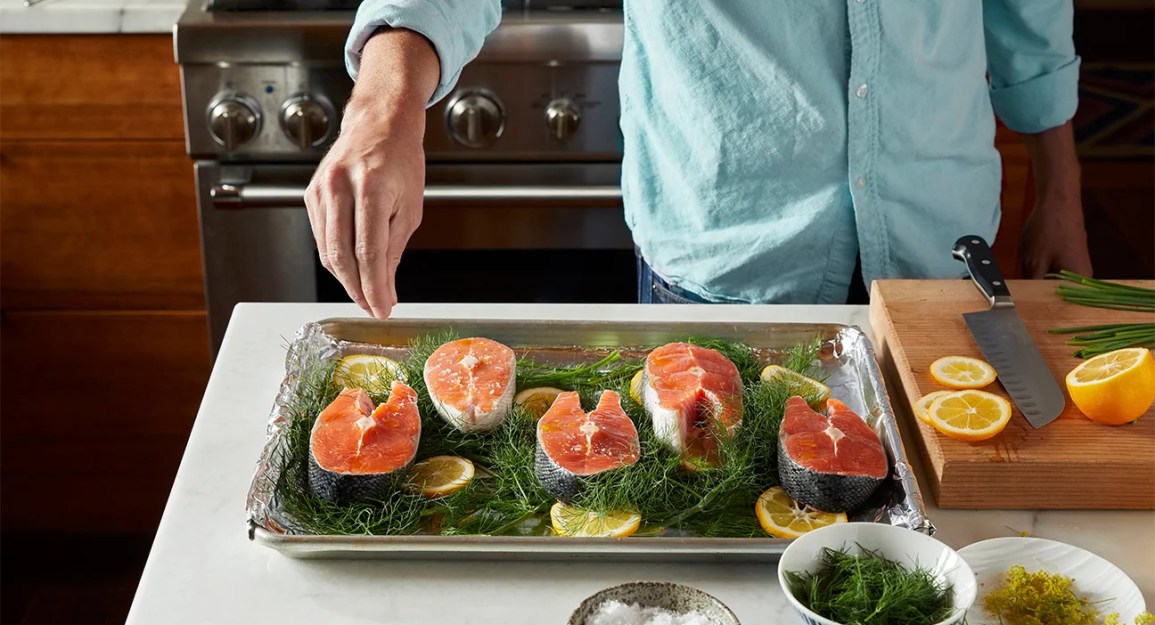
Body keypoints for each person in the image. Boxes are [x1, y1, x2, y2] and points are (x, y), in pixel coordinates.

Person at [306, 1, 1093, 318]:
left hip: (946, 248)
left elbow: (1027, 11)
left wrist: (1059, 188)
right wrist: (386, 105)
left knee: (958, 560)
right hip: (727, 268)